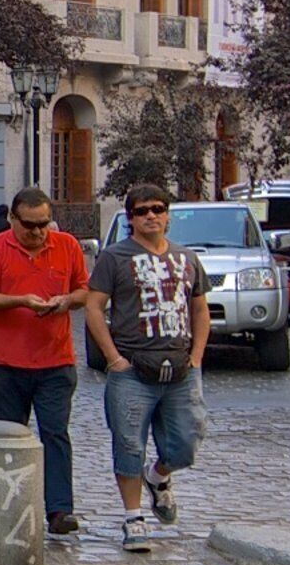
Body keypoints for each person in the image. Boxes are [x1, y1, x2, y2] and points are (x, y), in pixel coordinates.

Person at [84, 183, 211, 545]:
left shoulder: (187, 258)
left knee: (187, 442)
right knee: (128, 443)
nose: (151, 215)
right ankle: (133, 517)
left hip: (182, 370)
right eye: (142, 211)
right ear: (130, 218)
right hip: (132, 370)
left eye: (157, 208)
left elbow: (200, 308)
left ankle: (158, 477)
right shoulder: (114, 258)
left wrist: (197, 357)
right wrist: (113, 358)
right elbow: (94, 308)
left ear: (168, 215)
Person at [0, 185, 91, 536]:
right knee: (9, 437)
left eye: (44, 224)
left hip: (55, 361)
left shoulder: (66, 245)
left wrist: (66, 301)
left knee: (54, 433)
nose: (38, 232)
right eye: (30, 225)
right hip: (5, 363)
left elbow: (85, 290)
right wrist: (22, 300)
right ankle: (12, 507)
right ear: (12, 219)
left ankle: (59, 510)